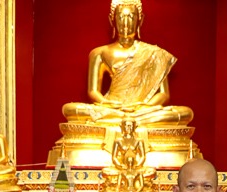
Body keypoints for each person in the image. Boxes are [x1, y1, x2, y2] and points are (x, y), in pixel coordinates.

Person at [61, 0, 193, 127]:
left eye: (131, 16)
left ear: (140, 20)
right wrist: (110, 104)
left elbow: (164, 94)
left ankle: (132, 120)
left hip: (143, 111)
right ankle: (129, 120)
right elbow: (93, 92)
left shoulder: (154, 53)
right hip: (112, 109)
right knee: (71, 109)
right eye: (120, 17)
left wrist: (144, 107)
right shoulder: (99, 53)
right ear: (111, 19)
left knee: (185, 113)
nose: (125, 23)